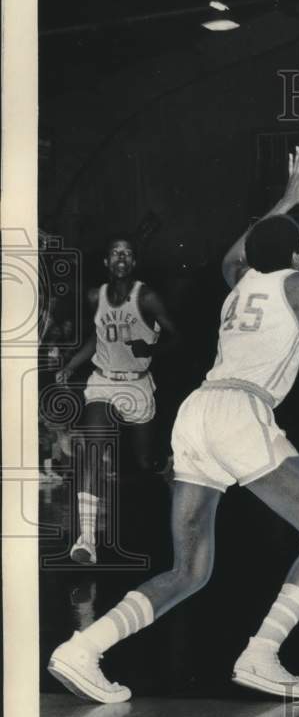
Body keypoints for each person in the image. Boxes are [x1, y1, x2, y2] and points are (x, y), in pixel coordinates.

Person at [48, 147, 299, 704]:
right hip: (239, 412)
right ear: (297, 254)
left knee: (189, 571)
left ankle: (81, 649)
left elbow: (237, 254)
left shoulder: (238, 282)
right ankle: (261, 655)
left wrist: (286, 201)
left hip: (197, 412)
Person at [56, 237, 180, 563]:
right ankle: (87, 539)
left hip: (138, 386)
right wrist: (71, 365)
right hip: (103, 383)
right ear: (107, 262)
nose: (121, 257)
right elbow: (95, 338)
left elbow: (175, 336)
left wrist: (151, 348)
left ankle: (163, 465)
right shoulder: (95, 296)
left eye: (127, 253)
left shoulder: (147, 297)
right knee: (94, 448)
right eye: (115, 252)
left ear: (133, 262)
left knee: (144, 461)